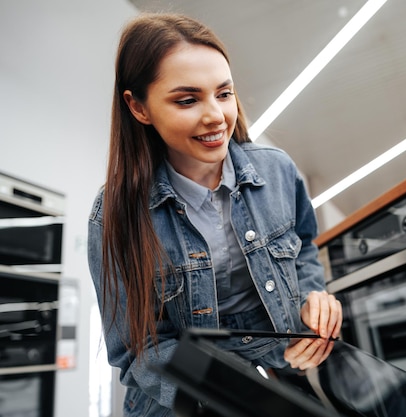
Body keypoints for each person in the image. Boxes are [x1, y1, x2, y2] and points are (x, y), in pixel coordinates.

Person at [87, 12, 342, 416]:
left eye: (223, 94)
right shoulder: (114, 217)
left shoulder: (277, 171)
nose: (215, 116)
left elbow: (305, 248)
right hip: (184, 401)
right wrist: (235, 390)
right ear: (138, 108)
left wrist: (314, 297)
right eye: (187, 99)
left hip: (280, 378)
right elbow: (137, 352)